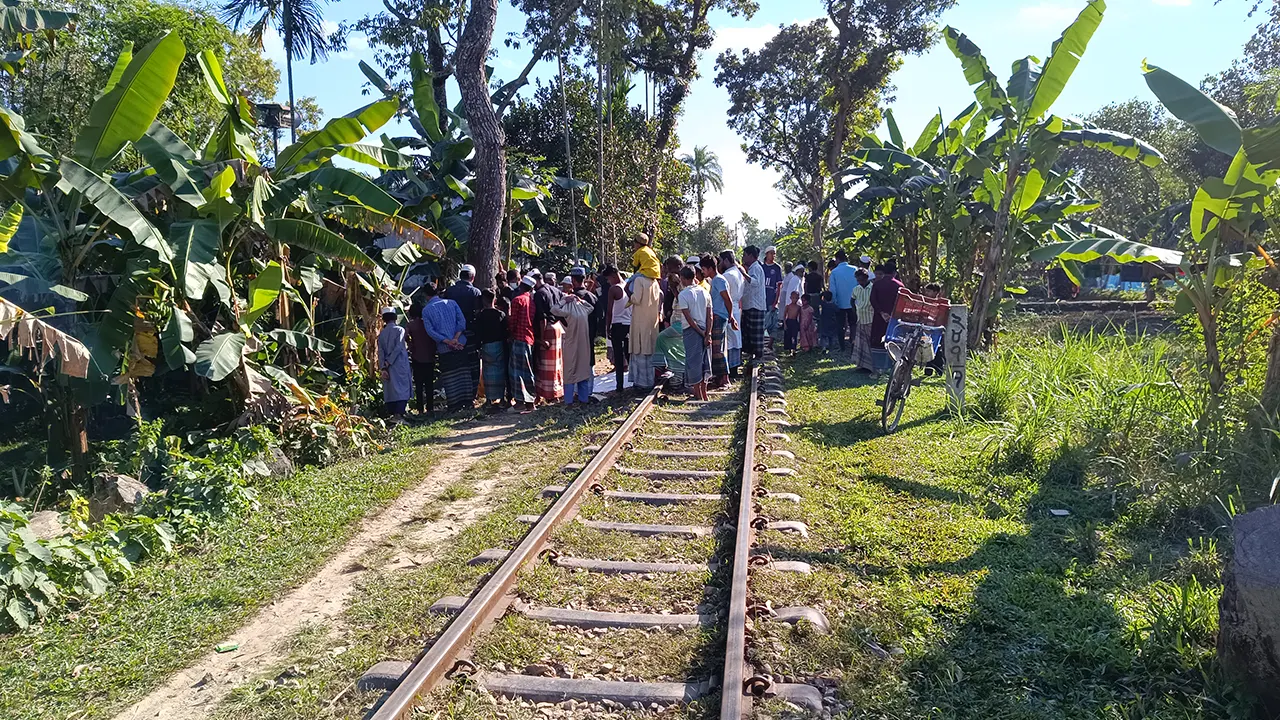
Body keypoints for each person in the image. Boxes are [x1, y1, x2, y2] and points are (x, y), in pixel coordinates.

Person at [421, 283, 471, 411]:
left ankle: (454, 405)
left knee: (450, 377)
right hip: (460, 344)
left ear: (426, 295)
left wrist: (448, 341)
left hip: (445, 348)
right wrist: (455, 338)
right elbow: (462, 322)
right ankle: (467, 401)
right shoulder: (452, 303)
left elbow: (430, 331)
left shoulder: (426, 310)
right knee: (464, 374)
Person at [628, 233, 663, 394]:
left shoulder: (639, 280)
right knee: (649, 349)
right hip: (651, 322)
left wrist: (628, 294)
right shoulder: (655, 282)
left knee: (640, 348)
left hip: (640, 321)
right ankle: (650, 380)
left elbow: (635, 298)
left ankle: (641, 383)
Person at [444, 264, 483, 402]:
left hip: (453, 334)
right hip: (470, 333)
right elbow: (478, 314)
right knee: (473, 364)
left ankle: (459, 396)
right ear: (472, 277)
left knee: (458, 364)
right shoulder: (475, 292)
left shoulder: (449, 291)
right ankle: (472, 395)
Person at [554, 288, 596, 406]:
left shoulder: (567, 311)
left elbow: (554, 309)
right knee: (582, 369)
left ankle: (569, 401)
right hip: (583, 343)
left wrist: (564, 301)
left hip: (571, 343)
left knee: (570, 370)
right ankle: (583, 399)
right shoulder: (583, 310)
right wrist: (581, 301)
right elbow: (591, 307)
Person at [678, 266, 712, 401]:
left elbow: (689, 319)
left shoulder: (683, 295)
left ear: (682, 278)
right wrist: (708, 333)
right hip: (705, 330)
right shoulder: (705, 292)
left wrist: (701, 333)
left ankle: (698, 394)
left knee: (693, 362)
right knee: (705, 362)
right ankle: (704, 394)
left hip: (692, 331)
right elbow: (710, 316)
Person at [702, 254, 734, 388]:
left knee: (717, 348)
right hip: (718, 315)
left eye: (703, 269)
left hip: (719, 316)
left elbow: (727, 299)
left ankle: (725, 379)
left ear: (709, 268)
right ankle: (719, 378)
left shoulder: (718, 280)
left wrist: (730, 315)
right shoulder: (715, 280)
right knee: (716, 348)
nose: (702, 272)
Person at [870, 260, 905, 376]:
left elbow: (873, 300)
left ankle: (878, 367)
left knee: (877, 340)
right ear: (895, 273)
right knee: (893, 341)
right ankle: (892, 367)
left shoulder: (877, 284)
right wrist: (892, 314)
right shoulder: (899, 286)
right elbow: (902, 302)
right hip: (894, 319)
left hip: (879, 318)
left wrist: (881, 313)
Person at [508, 276, 538, 413]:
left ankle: (520, 402)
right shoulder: (532, 301)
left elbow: (512, 322)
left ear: (521, 285)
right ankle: (530, 401)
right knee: (528, 371)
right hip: (529, 338)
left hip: (519, 338)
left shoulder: (517, 300)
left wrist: (510, 334)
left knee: (517, 372)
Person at [377, 307, 412, 423]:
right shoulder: (400, 330)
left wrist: (383, 366)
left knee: (391, 389)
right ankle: (399, 415)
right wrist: (389, 361)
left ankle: (395, 414)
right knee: (402, 388)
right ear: (395, 318)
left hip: (388, 366)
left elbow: (380, 351)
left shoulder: (382, 334)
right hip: (399, 363)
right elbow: (399, 347)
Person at [476, 289, 509, 409]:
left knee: (488, 372)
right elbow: (506, 331)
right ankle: (501, 398)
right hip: (499, 345)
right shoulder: (500, 314)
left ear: (483, 300)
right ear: (494, 299)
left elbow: (477, 333)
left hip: (486, 346)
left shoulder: (480, 315)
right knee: (500, 371)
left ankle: (489, 399)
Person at [603, 266, 630, 395]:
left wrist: (607, 328)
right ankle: (633, 383)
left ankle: (620, 386)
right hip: (629, 324)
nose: (608, 282)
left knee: (619, 358)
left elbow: (609, 311)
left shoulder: (614, 289)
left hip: (617, 324)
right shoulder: (628, 285)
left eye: (608, 279)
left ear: (613, 276)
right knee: (630, 355)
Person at [406, 304, 437, 418]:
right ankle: (430, 408)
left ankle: (420, 409)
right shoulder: (427, 323)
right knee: (429, 384)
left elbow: (405, 335)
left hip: (417, 357)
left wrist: (410, 344)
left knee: (419, 384)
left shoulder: (411, 325)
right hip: (429, 356)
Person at [720, 250, 745, 378]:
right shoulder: (739, 272)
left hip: (728, 307)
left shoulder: (728, 275)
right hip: (736, 307)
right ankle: (735, 366)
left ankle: (730, 368)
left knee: (730, 339)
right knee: (736, 338)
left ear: (725, 260)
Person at [740, 245, 767, 362]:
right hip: (749, 304)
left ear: (751, 256)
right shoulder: (752, 268)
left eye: (745, 255)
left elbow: (755, 282)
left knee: (755, 332)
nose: (743, 257)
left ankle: (758, 356)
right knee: (749, 332)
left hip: (755, 305)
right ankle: (752, 354)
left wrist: (743, 273)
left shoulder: (756, 268)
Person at [828, 250, 857, 351]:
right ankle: (853, 342)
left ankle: (842, 347)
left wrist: (834, 302)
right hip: (854, 302)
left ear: (837, 259)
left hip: (840, 303)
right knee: (853, 323)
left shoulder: (834, 272)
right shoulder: (855, 269)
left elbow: (833, 289)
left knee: (840, 325)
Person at [851, 268, 875, 372]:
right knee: (860, 343)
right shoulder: (856, 289)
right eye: (858, 280)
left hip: (870, 319)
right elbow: (852, 301)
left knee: (869, 343)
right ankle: (861, 364)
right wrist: (855, 312)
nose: (860, 282)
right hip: (860, 319)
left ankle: (871, 366)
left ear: (866, 278)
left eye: (862, 280)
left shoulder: (873, 288)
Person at [922, 282, 947, 377]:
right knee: (927, 347)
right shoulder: (925, 302)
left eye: (929, 291)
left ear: (936, 292)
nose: (927, 293)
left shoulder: (939, 304)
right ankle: (929, 370)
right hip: (925, 330)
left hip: (935, 331)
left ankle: (939, 369)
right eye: (926, 291)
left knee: (936, 349)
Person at [762, 246, 784, 339]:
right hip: (762, 299)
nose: (773, 255)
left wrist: (776, 301)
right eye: (771, 253)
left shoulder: (777, 268)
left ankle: (770, 344)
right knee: (763, 322)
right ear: (766, 254)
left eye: (774, 253)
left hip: (772, 298)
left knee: (773, 322)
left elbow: (779, 286)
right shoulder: (761, 267)